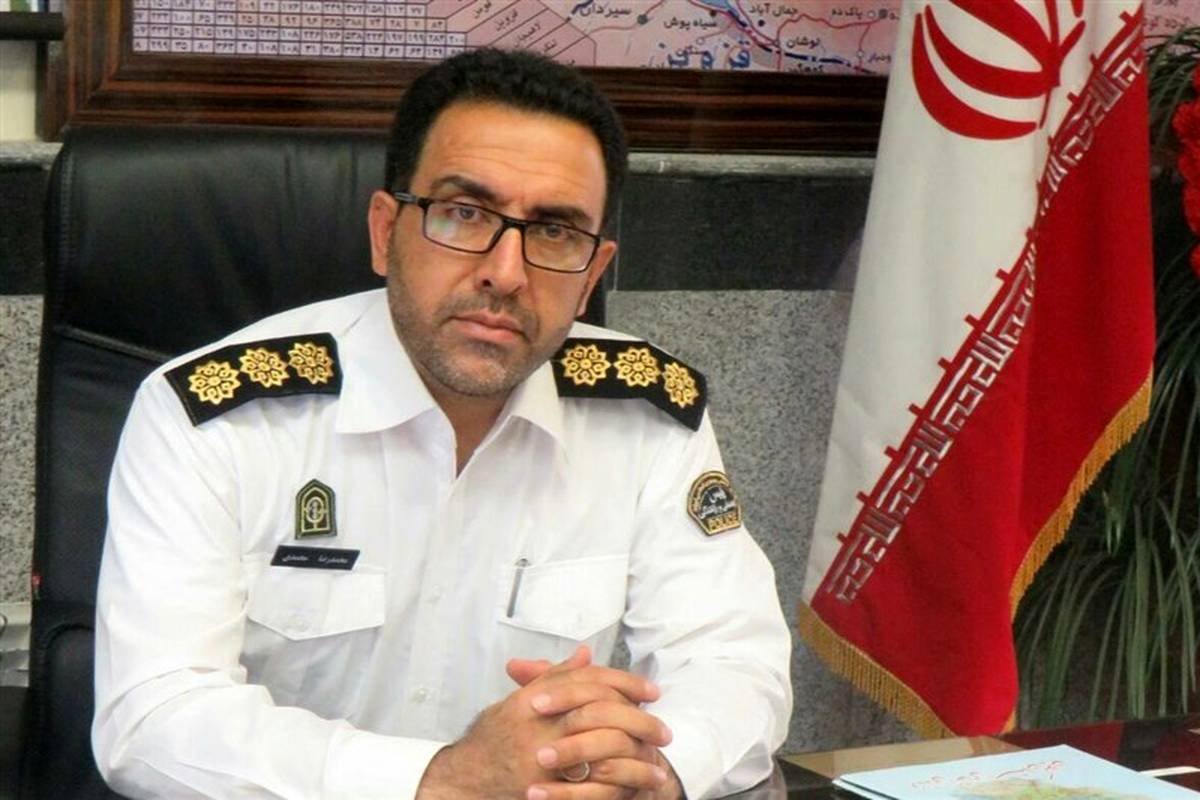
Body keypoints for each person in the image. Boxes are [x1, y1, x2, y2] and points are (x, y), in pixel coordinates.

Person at [92, 48, 792, 800]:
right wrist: (442, 779)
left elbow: (733, 662)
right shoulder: (217, 415)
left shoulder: (646, 414)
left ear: (592, 274)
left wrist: (651, 770)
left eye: (555, 232)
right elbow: (152, 717)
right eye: (464, 214)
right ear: (384, 231)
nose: (506, 273)